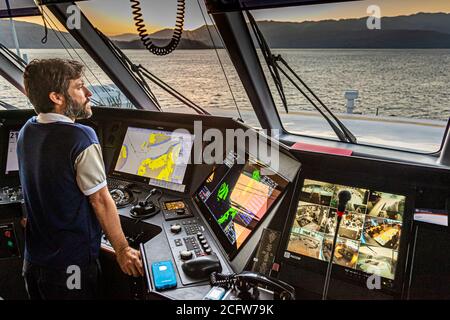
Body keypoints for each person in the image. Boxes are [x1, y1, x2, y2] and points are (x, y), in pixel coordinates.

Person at [17, 58, 144, 300]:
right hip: (70, 268)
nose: (88, 93)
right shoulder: (81, 137)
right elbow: (100, 199)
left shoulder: (28, 129)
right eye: (79, 87)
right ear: (57, 97)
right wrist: (122, 249)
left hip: (33, 264)